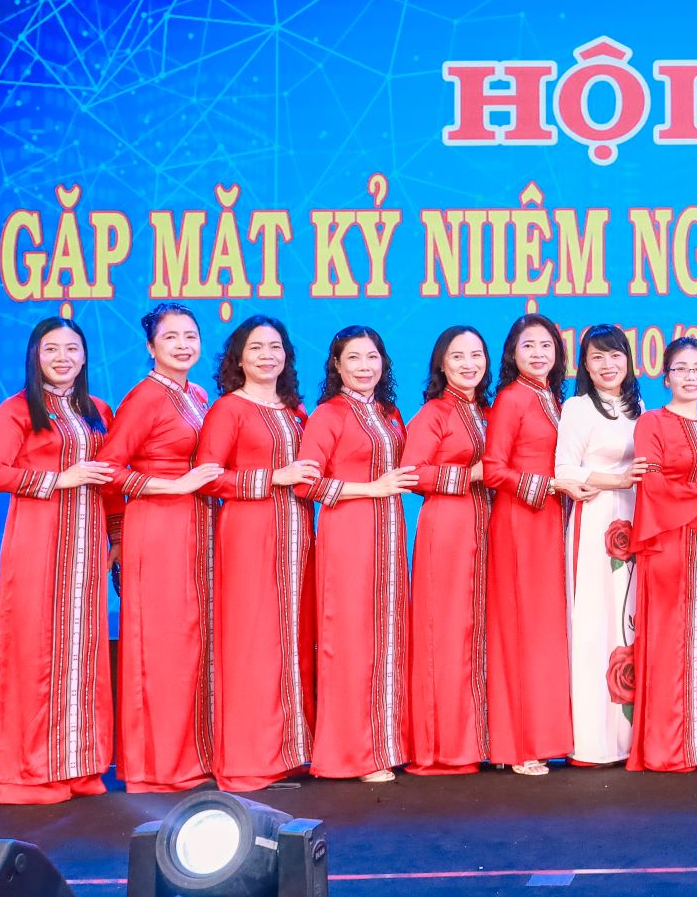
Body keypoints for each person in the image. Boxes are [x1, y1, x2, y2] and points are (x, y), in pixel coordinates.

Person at [0, 316, 120, 804]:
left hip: (88, 552)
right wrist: (58, 478)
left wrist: (117, 536)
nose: (63, 357)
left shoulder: (97, 410)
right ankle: (27, 774)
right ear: (35, 356)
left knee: (83, 653)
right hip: (38, 547)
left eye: (72, 348)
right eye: (51, 349)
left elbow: (110, 478)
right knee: (35, 652)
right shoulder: (17, 410)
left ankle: (78, 767)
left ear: (85, 356)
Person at [99, 303, 224, 794]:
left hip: (196, 526)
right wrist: (172, 485)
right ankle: (156, 766)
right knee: (164, 644)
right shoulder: (145, 397)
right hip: (158, 527)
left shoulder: (196, 394)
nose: (183, 345)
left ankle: (191, 756)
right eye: (170, 337)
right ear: (151, 347)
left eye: (190, 336)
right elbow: (109, 469)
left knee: (192, 640)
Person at [197, 315, 320, 793]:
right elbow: (208, 477)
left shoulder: (294, 410)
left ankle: (288, 752)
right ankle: (250, 759)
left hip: (296, 533)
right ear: (238, 358)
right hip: (249, 533)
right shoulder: (229, 409)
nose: (267, 356)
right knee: (253, 640)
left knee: (291, 636)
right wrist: (273, 478)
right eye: (256, 347)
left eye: (275, 347)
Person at [295, 326, 417, 783]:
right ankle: (351, 755)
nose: (364, 366)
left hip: (389, 535)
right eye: (354, 358)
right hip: (348, 534)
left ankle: (386, 745)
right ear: (336, 365)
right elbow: (306, 484)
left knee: (386, 635)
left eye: (372, 357)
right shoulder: (328, 414)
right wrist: (370, 488)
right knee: (350, 640)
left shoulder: (388, 412)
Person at [625, 337, 697, 772]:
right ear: (665, 377)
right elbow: (652, 485)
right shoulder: (651, 422)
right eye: (681, 368)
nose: (691, 377)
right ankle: (667, 746)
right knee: (669, 639)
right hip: (667, 543)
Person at [482, 312, 580, 775]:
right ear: (512, 354)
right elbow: (493, 469)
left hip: (549, 521)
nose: (538, 354)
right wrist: (550, 486)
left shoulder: (553, 399)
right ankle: (520, 744)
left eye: (546, 345)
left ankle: (545, 736)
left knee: (545, 632)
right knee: (523, 630)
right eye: (528, 346)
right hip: (520, 521)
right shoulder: (512, 398)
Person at [403, 325, 496, 776]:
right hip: (448, 527)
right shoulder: (434, 413)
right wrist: (470, 474)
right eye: (457, 356)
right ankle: (443, 747)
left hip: (487, 525)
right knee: (446, 631)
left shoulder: (488, 412)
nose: (468, 364)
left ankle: (478, 740)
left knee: (478, 631)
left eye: (476, 355)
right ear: (442, 363)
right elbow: (412, 472)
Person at [558, 325, 650, 767]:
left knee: (628, 621)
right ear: (585, 366)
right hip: (595, 519)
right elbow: (563, 471)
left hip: (634, 518)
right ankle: (593, 741)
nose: (608, 365)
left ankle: (628, 737)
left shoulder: (638, 407)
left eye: (615, 356)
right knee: (595, 622)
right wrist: (618, 479)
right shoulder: (577, 408)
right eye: (597, 357)